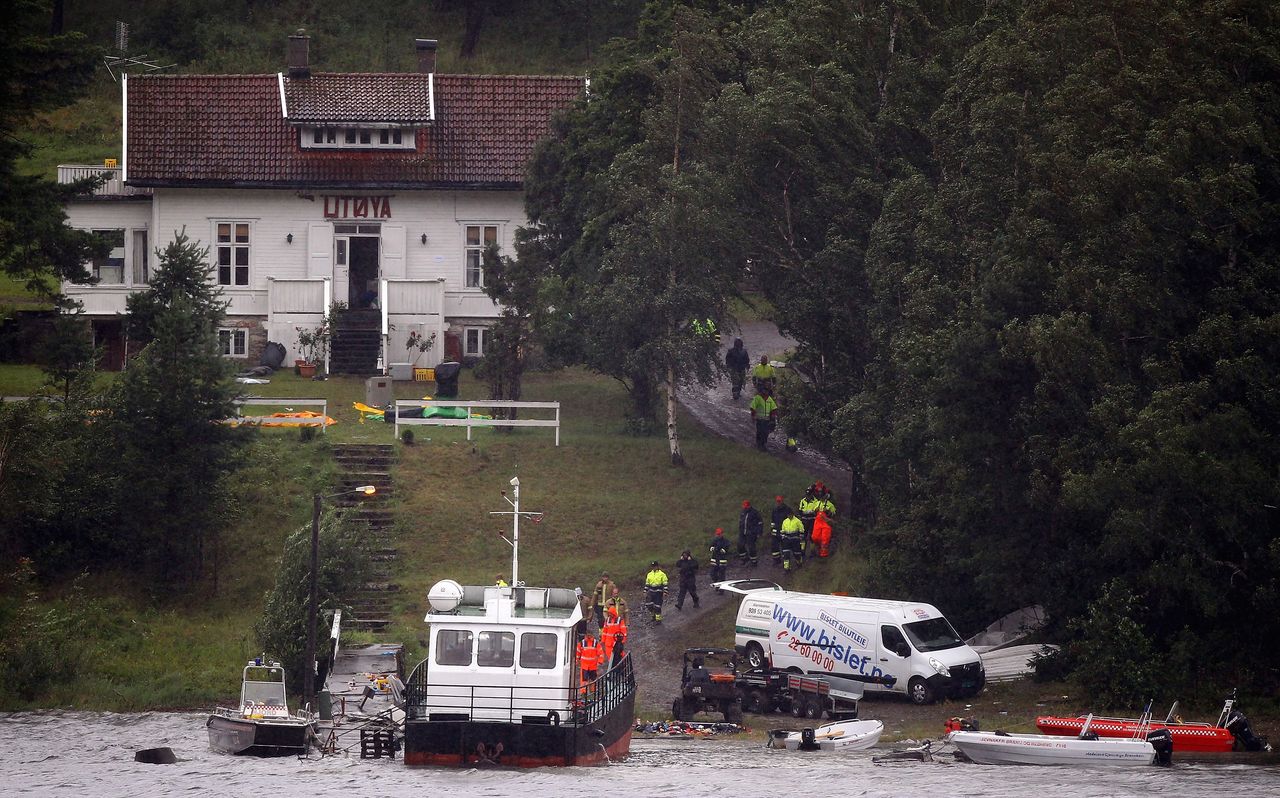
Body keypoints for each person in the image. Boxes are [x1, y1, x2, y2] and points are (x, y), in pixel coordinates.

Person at [749, 385, 779, 451]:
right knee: (760, 431)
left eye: (767, 391)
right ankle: (759, 444)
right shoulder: (757, 398)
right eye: (764, 390)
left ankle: (763, 444)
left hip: (767, 420)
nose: (766, 392)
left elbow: (773, 409)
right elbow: (753, 407)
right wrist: (753, 416)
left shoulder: (769, 399)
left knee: (765, 432)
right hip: (759, 419)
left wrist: (773, 419)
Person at [738, 500, 763, 567]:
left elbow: (760, 523)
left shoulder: (754, 513)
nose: (744, 508)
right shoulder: (743, 512)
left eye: (745, 507)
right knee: (740, 546)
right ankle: (745, 559)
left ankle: (754, 561)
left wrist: (758, 532)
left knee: (751, 547)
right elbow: (741, 522)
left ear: (749, 506)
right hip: (743, 533)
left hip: (751, 533)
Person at [780, 507, 805, 571]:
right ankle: (786, 568)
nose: (789, 515)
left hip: (795, 540)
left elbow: (802, 530)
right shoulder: (785, 521)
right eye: (788, 514)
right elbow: (782, 531)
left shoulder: (797, 521)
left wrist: (801, 539)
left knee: (797, 553)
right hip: (787, 540)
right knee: (786, 554)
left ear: (793, 514)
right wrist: (783, 538)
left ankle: (799, 562)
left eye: (790, 514)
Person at [770, 495, 792, 567]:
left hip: (784, 531)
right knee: (774, 546)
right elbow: (773, 521)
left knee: (784, 547)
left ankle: (786, 561)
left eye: (779, 501)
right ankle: (776, 560)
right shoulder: (775, 510)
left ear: (782, 501)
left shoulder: (787, 509)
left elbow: (791, 520)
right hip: (776, 531)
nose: (778, 503)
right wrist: (772, 529)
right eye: (777, 501)